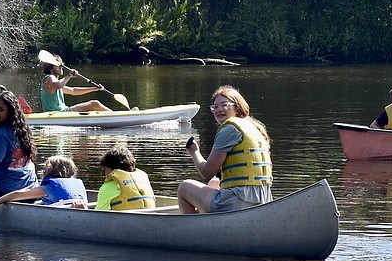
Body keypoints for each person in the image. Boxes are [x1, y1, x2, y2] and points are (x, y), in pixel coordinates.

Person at [178, 86, 272, 214]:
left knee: (184, 188)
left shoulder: (229, 129)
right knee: (214, 183)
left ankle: (195, 231)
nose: (219, 110)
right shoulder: (255, 128)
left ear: (237, 107)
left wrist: (194, 152)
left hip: (238, 201)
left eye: (225, 105)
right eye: (215, 107)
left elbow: (207, 172)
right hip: (263, 200)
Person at [0, 155, 88, 220]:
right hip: (81, 213)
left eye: (46, 168)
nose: (44, 171)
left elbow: (17, 195)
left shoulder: (50, 187)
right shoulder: (77, 183)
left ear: (54, 171)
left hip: (66, 217)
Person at [95, 146, 155, 211]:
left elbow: (97, 215)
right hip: (151, 218)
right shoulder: (143, 182)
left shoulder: (107, 187)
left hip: (123, 220)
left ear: (109, 168)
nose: (104, 173)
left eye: (105, 168)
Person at [40, 61, 111, 112]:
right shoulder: (49, 78)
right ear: (50, 68)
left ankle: (113, 116)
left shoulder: (54, 84)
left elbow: (73, 91)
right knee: (95, 104)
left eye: (61, 64)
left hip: (62, 112)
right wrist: (69, 75)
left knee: (94, 107)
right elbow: (58, 85)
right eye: (58, 65)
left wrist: (95, 89)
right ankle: (115, 116)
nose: (61, 67)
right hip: (58, 113)